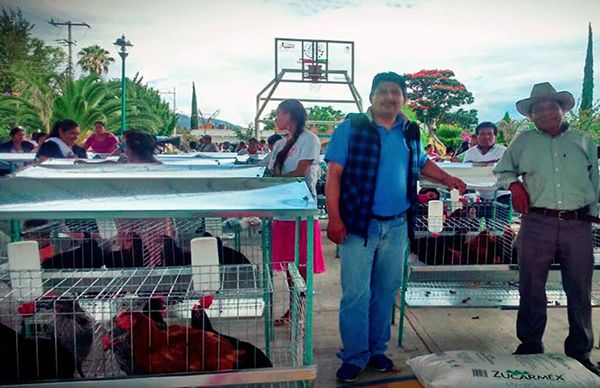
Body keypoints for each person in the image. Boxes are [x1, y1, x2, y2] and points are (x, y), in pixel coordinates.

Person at [325, 72, 466, 383]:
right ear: (371, 96)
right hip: (358, 225)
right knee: (356, 295)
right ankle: (354, 356)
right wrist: (334, 218)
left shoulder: (410, 131)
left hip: (398, 224)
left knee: (386, 292)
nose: (389, 97)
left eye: (395, 92)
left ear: (403, 99)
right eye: (383, 92)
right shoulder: (351, 128)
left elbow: (422, 163)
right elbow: (334, 175)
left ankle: (377, 350)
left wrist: (448, 179)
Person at [493, 82, 600, 376]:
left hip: (578, 225)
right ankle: (530, 345)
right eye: (539, 108)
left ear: (561, 109)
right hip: (536, 222)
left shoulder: (583, 141)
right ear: (532, 116)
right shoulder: (523, 142)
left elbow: (596, 181)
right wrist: (513, 184)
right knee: (530, 286)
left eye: (552, 106)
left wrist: (596, 214)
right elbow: (502, 171)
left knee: (579, 289)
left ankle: (580, 352)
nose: (546, 112)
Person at [268, 99, 326, 325]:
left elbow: (301, 173)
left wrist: (272, 182)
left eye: (279, 114)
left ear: (289, 115)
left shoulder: (309, 140)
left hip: (300, 210)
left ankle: (298, 310)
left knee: (301, 267)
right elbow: (269, 170)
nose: (276, 119)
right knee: (287, 266)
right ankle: (294, 309)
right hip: (282, 212)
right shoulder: (282, 144)